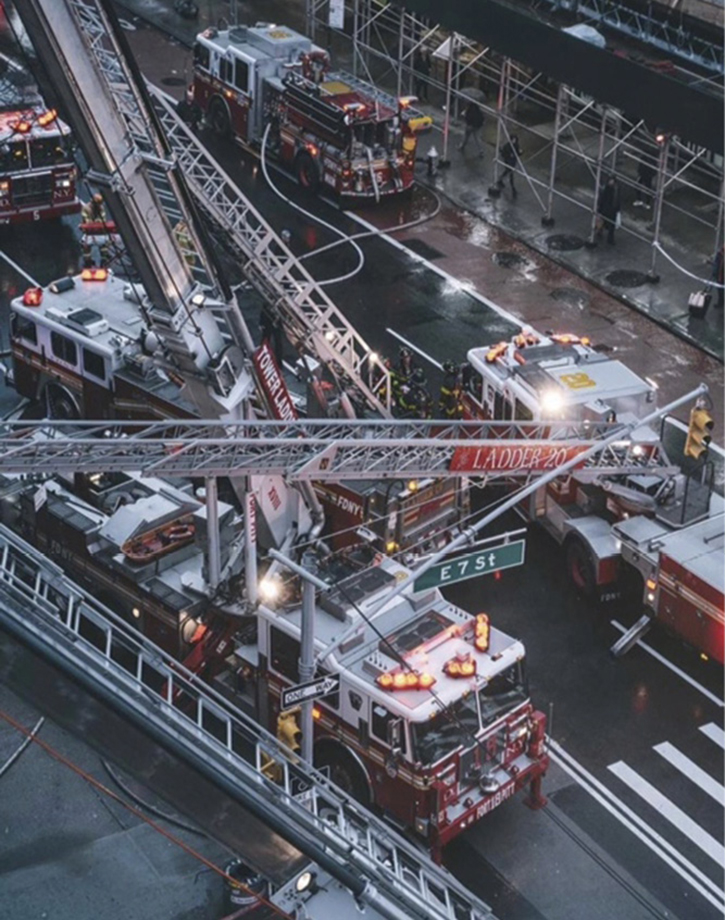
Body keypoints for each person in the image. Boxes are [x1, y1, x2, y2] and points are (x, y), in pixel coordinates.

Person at [596, 176, 621, 245]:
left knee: (610, 224)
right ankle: (601, 232)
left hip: (611, 209)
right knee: (605, 222)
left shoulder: (615, 189)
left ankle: (610, 239)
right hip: (607, 209)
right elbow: (602, 199)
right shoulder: (608, 189)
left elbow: (617, 200)